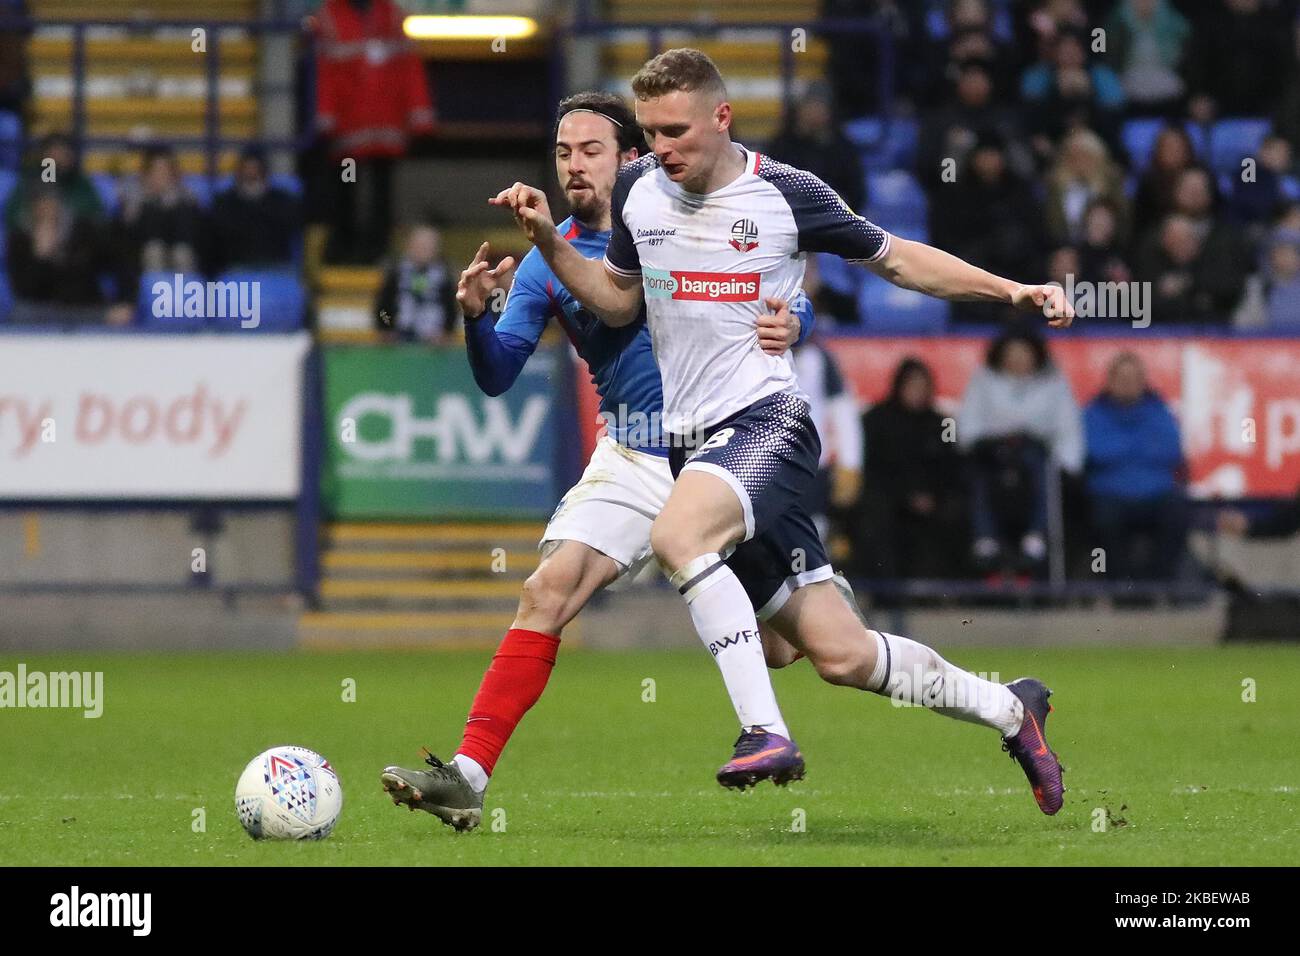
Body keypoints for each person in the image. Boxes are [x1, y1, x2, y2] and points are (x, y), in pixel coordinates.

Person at [489, 48, 1072, 816]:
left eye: (676, 132)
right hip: (690, 444)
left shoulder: (787, 193)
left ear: (721, 118)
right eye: (652, 133)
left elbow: (897, 262)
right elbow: (619, 301)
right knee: (841, 654)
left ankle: (763, 730)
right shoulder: (637, 190)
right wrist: (548, 243)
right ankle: (1009, 709)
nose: (661, 149)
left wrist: (1008, 289)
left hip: (768, 425)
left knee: (677, 537)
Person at [379, 92, 814, 831]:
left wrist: (794, 316)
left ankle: (979, 699)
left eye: (590, 150)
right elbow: (496, 374)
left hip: (724, 447)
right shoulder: (550, 262)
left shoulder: (684, 218)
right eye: (562, 153)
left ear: (631, 158)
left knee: (796, 646)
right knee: (546, 591)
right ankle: (468, 776)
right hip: (633, 451)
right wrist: (474, 316)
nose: (573, 165)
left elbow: (772, 276)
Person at [314, 0, 435, 263]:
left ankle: (376, 249)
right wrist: (326, 115)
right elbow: (325, 71)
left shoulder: (391, 15)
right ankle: (343, 249)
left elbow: (409, 67)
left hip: (385, 126)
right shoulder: (330, 17)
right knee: (346, 188)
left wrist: (419, 112)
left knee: (382, 192)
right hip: (348, 127)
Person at [958, 325, 1083, 575]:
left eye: (1023, 353)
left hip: (1037, 457)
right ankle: (985, 540)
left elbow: (1068, 429)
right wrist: (987, 443)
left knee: (1039, 464)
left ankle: (1036, 538)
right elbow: (968, 427)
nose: (1017, 360)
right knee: (980, 470)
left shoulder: (1054, 382)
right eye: (1011, 354)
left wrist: (1068, 465)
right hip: (994, 456)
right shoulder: (983, 380)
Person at [854, 358, 966, 581]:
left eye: (923, 386)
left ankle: (944, 588)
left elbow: (950, 465)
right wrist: (907, 496)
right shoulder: (876, 420)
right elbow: (874, 467)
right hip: (890, 495)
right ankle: (885, 588)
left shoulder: (943, 424)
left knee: (958, 509)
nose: (918, 392)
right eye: (912, 385)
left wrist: (933, 496)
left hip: (933, 497)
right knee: (875, 510)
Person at [1083, 352, 1187, 580]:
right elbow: (1094, 452)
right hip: (1109, 493)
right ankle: (1120, 586)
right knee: (1103, 520)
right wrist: (1141, 445)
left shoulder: (1159, 410)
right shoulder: (1092, 413)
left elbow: (1172, 450)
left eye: (1133, 379)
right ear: (1109, 381)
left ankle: (1159, 582)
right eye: (1121, 379)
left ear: (1143, 382)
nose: (1127, 385)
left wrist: (1121, 445)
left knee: (1177, 513)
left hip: (1157, 493)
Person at [4, 186, 131, 325]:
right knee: (22, 313)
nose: (46, 210)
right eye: (40, 205)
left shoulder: (84, 230)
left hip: (85, 308)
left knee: (114, 315)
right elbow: (23, 290)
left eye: (50, 203)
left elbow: (120, 262)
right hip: (42, 310)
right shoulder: (19, 239)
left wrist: (125, 301)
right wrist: (41, 257)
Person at [208, 146, 301, 274]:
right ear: (238, 174)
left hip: (276, 266)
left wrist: (258, 203)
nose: (251, 175)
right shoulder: (223, 202)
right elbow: (219, 235)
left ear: (265, 174)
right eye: (246, 170)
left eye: (256, 171)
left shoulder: (282, 201)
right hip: (235, 268)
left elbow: (289, 227)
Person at [373, 222, 457, 343]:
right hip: (399, 338)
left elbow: (451, 308)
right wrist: (386, 328)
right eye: (420, 246)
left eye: (428, 247)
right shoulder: (396, 273)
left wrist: (446, 332)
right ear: (409, 246)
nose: (423, 250)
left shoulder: (444, 275)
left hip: (434, 342)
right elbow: (382, 307)